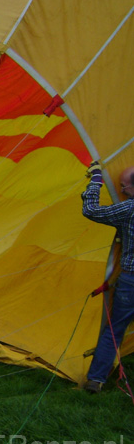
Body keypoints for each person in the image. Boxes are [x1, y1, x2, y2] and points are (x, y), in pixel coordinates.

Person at [81, 161, 134, 393]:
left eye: (123, 187)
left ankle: (96, 379)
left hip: (131, 281)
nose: (121, 192)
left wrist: (95, 180)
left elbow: (91, 210)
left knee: (114, 330)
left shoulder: (129, 208)